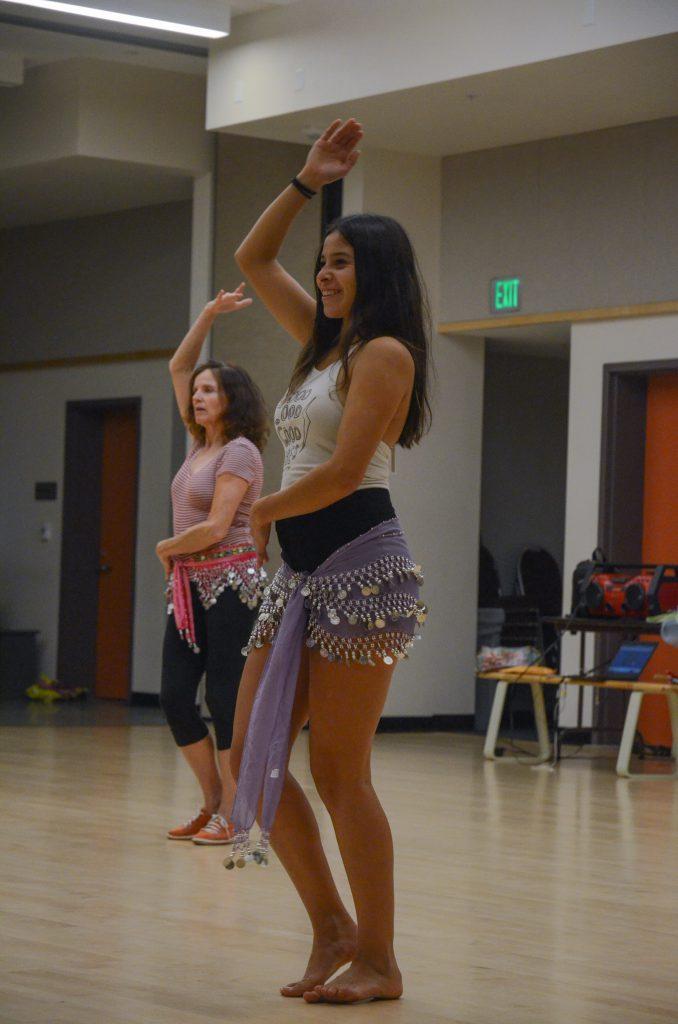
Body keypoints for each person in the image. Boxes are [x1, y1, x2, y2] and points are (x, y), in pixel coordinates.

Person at [228, 118, 430, 1004]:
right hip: (300, 575)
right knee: (254, 757)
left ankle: (382, 961)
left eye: (343, 261)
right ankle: (332, 932)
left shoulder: (386, 354)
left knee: (341, 772)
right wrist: (308, 182)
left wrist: (260, 509)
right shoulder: (322, 344)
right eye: (325, 260)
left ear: (376, 275)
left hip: (361, 563)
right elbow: (252, 256)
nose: (325, 272)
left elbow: (346, 472)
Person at [158, 285, 268, 845]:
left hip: (234, 586)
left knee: (224, 698)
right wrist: (207, 313)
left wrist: (167, 547)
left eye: (209, 390)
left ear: (232, 399)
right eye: (196, 391)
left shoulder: (240, 451)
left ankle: (234, 811)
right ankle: (212, 800)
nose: (198, 396)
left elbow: (221, 526)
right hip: (188, 589)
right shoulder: (196, 447)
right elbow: (179, 362)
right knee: (175, 696)